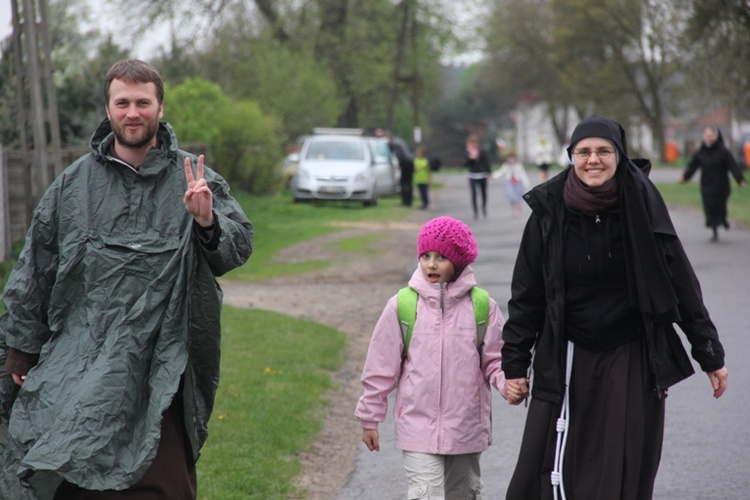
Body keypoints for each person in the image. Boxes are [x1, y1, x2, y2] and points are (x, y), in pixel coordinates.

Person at [0, 59, 253, 498]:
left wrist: (207, 221)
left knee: (157, 477)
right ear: (108, 108)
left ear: (159, 108)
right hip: (82, 354)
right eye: (123, 103)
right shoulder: (72, 185)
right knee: (72, 463)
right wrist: (21, 349)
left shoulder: (195, 179)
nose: (132, 112)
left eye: (142, 102)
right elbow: (34, 269)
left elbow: (236, 249)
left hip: (164, 356)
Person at [501, 115, 728, 500]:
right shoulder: (548, 210)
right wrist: (515, 364)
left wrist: (709, 352)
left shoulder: (642, 202)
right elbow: (527, 294)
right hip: (569, 350)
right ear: (571, 156)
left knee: (623, 461)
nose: (594, 160)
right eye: (584, 152)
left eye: (604, 151)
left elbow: (680, 281)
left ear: (619, 156)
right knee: (550, 463)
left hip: (630, 351)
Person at [355, 216, 515, 499]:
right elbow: (380, 368)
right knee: (424, 493)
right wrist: (370, 418)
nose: (431, 264)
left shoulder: (482, 306)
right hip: (417, 426)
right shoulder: (403, 305)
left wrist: (508, 384)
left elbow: (495, 359)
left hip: (466, 427)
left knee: (464, 493)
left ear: (459, 261)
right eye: (426, 255)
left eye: (441, 257)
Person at [679, 126, 746, 242]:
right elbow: (692, 166)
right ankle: (715, 230)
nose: (709, 138)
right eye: (707, 136)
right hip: (707, 185)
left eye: (711, 135)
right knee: (709, 207)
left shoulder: (723, 151)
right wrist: (685, 177)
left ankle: (723, 218)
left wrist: (740, 179)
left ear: (716, 136)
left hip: (722, 185)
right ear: (704, 137)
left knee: (720, 205)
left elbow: (733, 165)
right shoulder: (701, 152)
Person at [492, 152, 531, 217]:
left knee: (518, 196)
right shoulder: (506, 165)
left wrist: (526, 183)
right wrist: (493, 176)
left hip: (517, 182)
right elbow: (500, 172)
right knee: (511, 197)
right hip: (509, 183)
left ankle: (519, 204)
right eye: (509, 159)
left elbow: (523, 174)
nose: (511, 160)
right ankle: (514, 210)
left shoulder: (518, 165)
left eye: (512, 158)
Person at [464, 135, 492, 219]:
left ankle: (483, 208)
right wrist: (471, 158)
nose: (473, 145)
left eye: (474, 143)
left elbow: (487, 162)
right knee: (474, 194)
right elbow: (465, 164)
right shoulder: (467, 153)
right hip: (472, 175)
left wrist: (489, 172)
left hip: (482, 175)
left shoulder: (482, 152)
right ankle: (475, 212)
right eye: (471, 143)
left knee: (483, 193)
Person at [386, 130, 415, 207]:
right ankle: (409, 201)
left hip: (406, 162)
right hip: (410, 161)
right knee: (408, 182)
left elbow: (399, 154)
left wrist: (399, 164)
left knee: (404, 182)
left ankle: (406, 201)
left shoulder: (393, 143)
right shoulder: (398, 141)